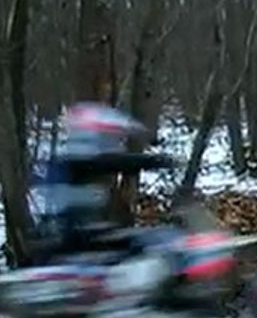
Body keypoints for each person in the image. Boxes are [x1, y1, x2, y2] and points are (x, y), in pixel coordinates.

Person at [36, 102, 173, 257]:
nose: (114, 144)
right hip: (75, 245)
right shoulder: (77, 162)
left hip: (87, 237)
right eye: (109, 138)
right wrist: (155, 161)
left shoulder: (75, 161)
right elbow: (110, 162)